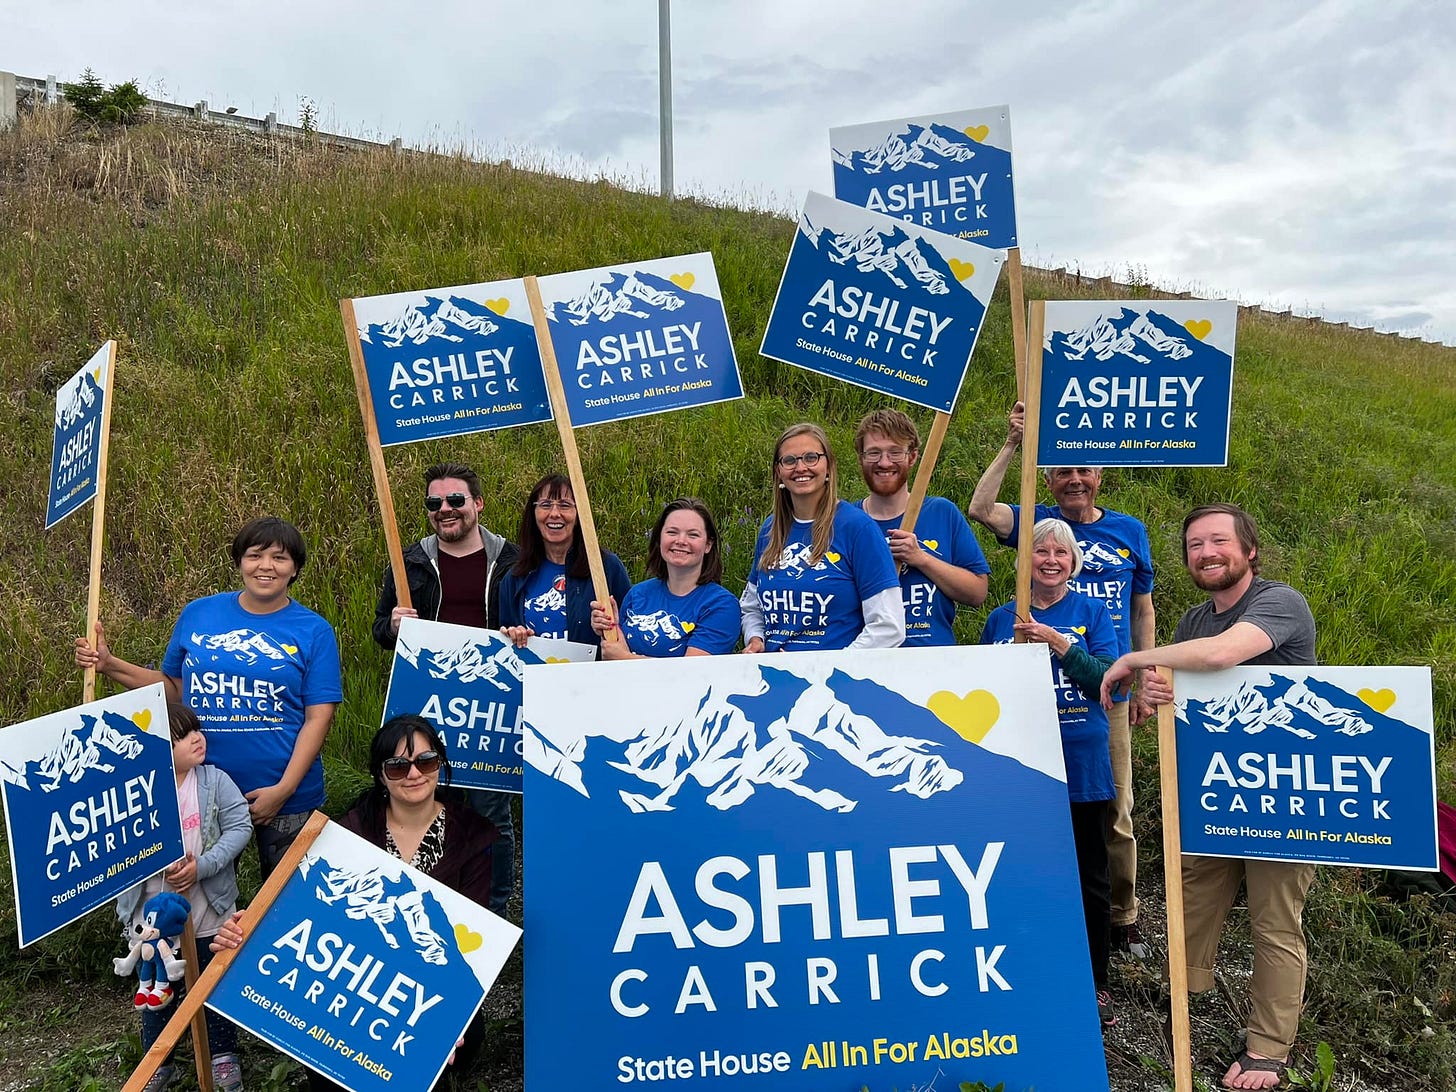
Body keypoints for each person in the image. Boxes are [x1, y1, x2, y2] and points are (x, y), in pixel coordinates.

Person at [1101, 503, 1317, 1091]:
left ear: (1249, 551)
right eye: (1195, 546)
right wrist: (1157, 686)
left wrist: (1134, 657)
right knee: (1192, 895)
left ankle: (1269, 1049)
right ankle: (1184, 996)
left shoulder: (1280, 602)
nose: (1207, 553)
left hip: (1283, 794)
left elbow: (1223, 655)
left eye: (1219, 542)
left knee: (1275, 923)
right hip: (1218, 789)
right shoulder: (1193, 619)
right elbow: (1182, 684)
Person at [213, 714, 495, 1092]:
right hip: (350, 979)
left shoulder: (473, 836)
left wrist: (447, 1019)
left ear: (440, 765)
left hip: (424, 989)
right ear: (380, 775)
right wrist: (251, 926)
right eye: (398, 766)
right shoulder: (347, 832)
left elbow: (469, 938)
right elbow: (306, 908)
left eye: (426, 762)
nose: (414, 774)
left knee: (432, 1053)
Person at [968, 401, 1156, 957]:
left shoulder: (1130, 531)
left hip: (1107, 683)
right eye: (1063, 471)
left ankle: (1121, 915)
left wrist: (1143, 676)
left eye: (1084, 470)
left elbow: (1143, 611)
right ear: (1048, 478)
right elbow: (980, 507)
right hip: (1034, 700)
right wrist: (1012, 442)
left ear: (1100, 476)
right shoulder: (1035, 519)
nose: (1075, 479)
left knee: (1112, 809)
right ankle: (1047, 912)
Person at [76, 517, 341, 877]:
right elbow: (173, 690)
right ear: (239, 562)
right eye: (255, 555)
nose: (266, 566)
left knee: (287, 903)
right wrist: (109, 664)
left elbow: (319, 717)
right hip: (201, 789)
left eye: (279, 558)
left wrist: (284, 789)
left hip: (286, 796)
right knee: (200, 902)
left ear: (294, 569)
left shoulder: (314, 631)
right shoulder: (200, 613)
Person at [980, 518, 1120, 1027]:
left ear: (1073, 562)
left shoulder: (1092, 613)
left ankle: (1095, 981)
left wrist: (1059, 645)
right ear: (1026, 559)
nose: (1051, 560)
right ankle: (1031, 970)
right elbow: (983, 689)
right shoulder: (1001, 620)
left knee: (1089, 878)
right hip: (1019, 765)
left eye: (1061, 553)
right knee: (1023, 872)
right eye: (1041, 551)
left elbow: (1113, 682)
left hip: (1079, 761)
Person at [372, 462, 520, 915]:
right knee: (428, 810)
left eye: (456, 500)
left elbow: (529, 623)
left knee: (491, 815)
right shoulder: (410, 561)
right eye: (434, 503)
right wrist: (392, 625)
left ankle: (493, 913)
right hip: (427, 708)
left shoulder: (511, 560)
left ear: (477, 503)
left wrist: (521, 632)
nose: (445, 510)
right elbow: (380, 628)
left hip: (492, 708)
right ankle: (433, 909)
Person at [118, 703, 251, 1092]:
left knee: (212, 981)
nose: (197, 738)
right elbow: (116, 848)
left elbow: (239, 826)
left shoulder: (214, 780)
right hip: (153, 917)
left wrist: (203, 865)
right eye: (181, 736)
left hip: (209, 910)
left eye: (196, 730)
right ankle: (158, 1060)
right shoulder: (133, 792)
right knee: (157, 987)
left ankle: (222, 1056)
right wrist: (156, 867)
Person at [741, 422, 904, 652]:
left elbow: (889, 626)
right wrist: (756, 639)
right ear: (778, 471)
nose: (800, 467)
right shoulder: (771, 530)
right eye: (789, 460)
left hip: (832, 683)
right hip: (776, 680)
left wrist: (830, 667)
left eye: (811, 457)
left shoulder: (857, 528)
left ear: (828, 466)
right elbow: (752, 606)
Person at [853, 409, 988, 645]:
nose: (884, 462)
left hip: (933, 665)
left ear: (913, 457)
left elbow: (977, 593)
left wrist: (920, 558)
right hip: (867, 666)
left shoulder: (941, 512)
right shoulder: (847, 522)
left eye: (895, 452)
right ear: (860, 457)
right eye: (874, 453)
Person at [590, 497, 741, 658]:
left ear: (708, 545)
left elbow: (693, 674)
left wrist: (626, 659)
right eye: (672, 532)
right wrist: (610, 627)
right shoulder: (637, 594)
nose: (681, 541)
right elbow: (618, 652)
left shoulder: (721, 605)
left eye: (693, 535)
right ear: (659, 538)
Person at [498, 473, 631, 653]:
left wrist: (610, 627)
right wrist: (513, 634)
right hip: (536, 678)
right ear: (533, 513)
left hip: (592, 677)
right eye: (545, 505)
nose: (554, 514)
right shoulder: (516, 576)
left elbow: (631, 629)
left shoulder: (606, 567)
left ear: (579, 514)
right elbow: (504, 636)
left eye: (565, 505)